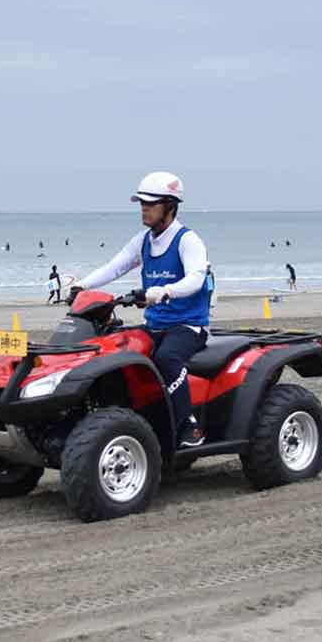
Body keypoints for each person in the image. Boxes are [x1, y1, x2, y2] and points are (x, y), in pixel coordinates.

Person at [69, 171, 208, 448]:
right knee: (115, 350)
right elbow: (115, 266)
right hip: (154, 326)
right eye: (141, 203)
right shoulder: (142, 241)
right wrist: (82, 286)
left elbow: (197, 278)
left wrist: (165, 291)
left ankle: (188, 426)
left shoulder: (187, 240)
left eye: (150, 203)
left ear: (170, 206)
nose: (144, 208)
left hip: (187, 327)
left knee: (167, 358)